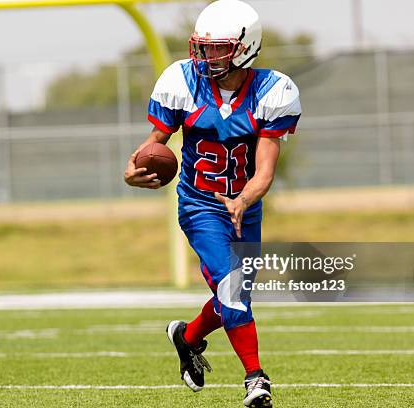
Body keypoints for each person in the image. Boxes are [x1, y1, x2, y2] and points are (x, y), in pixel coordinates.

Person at [123, 0, 301, 406]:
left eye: (218, 47)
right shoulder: (183, 81)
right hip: (199, 203)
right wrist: (131, 171)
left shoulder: (273, 91)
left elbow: (264, 173)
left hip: (245, 206)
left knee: (236, 296)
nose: (207, 55)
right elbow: (154, 146)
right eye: (204, 46)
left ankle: (186, 337)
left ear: (245, 47)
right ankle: (256, 378)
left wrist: (244, 200)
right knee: (231, 287)